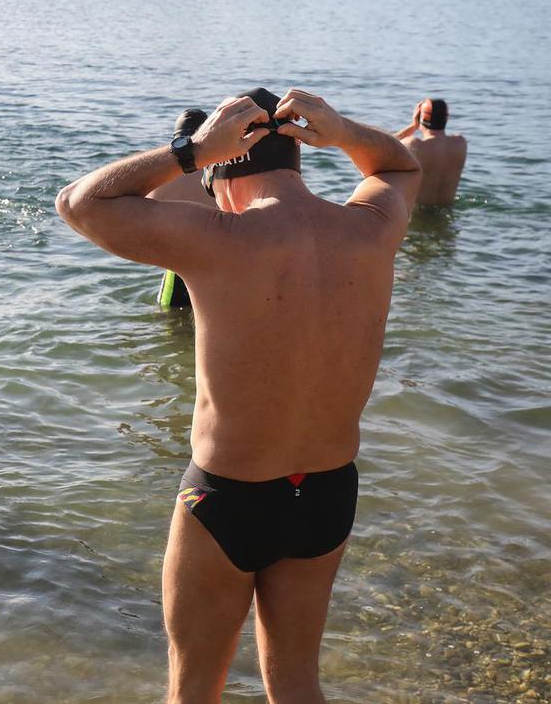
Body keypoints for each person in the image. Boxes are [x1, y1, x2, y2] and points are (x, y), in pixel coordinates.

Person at [56, 88, 420, 703]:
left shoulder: (219, 237)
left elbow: (78, 202)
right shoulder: (371, 229)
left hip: (228, 495)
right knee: (297, 683)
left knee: (194, 689)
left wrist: (190, 151)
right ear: (298, 159)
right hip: (326, 494)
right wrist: (342, 131)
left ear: (222, 171)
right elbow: (401, 167)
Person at [148, 108, 213, 309]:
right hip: (219, 266)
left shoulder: (161, 177)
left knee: (170, 319)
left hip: (178, 268)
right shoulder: (222, 172)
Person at [395, 98, 467, 207]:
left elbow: (385, 144)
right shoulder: (460, 143)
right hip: (447, 210)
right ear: (446, 118)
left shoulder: (414, 145)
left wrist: (413, 125)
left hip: (418, 213)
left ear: (422, 117)